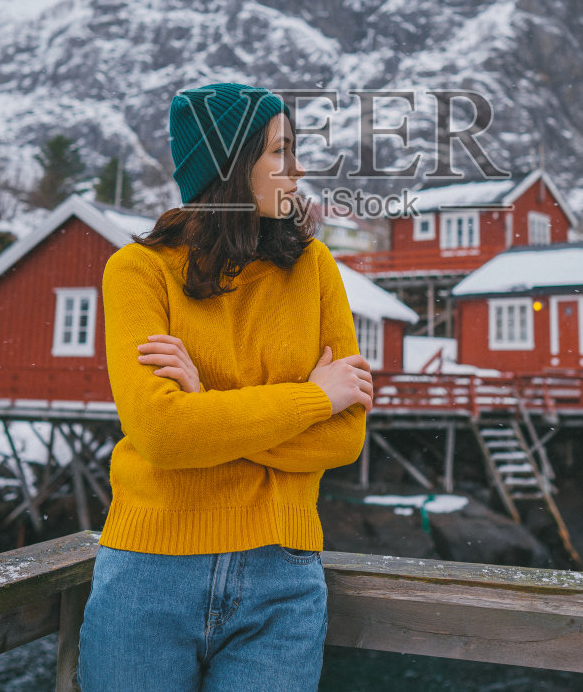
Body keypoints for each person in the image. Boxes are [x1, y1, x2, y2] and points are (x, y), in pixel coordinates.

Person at [77, 81, 375, 691]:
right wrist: (315, 398)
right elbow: (161, 433)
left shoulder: (314, 267)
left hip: (282, 579)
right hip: (147, 575)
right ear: (230, 169)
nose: (296, 169)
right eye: (278, 152)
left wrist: (206, 412)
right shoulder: (138, 271)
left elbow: (344, 440)